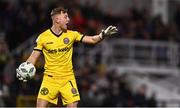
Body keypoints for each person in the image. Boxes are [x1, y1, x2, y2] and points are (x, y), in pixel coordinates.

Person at [16, 6, 118, 107]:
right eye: (65, 17)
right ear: (57, 19)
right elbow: (34, 57)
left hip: (67, 79)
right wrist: (25, 68)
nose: (68, 20)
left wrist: (102, 35)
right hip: (50, 80)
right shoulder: (43, 37)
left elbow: (91, 40)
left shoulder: (72, 35)